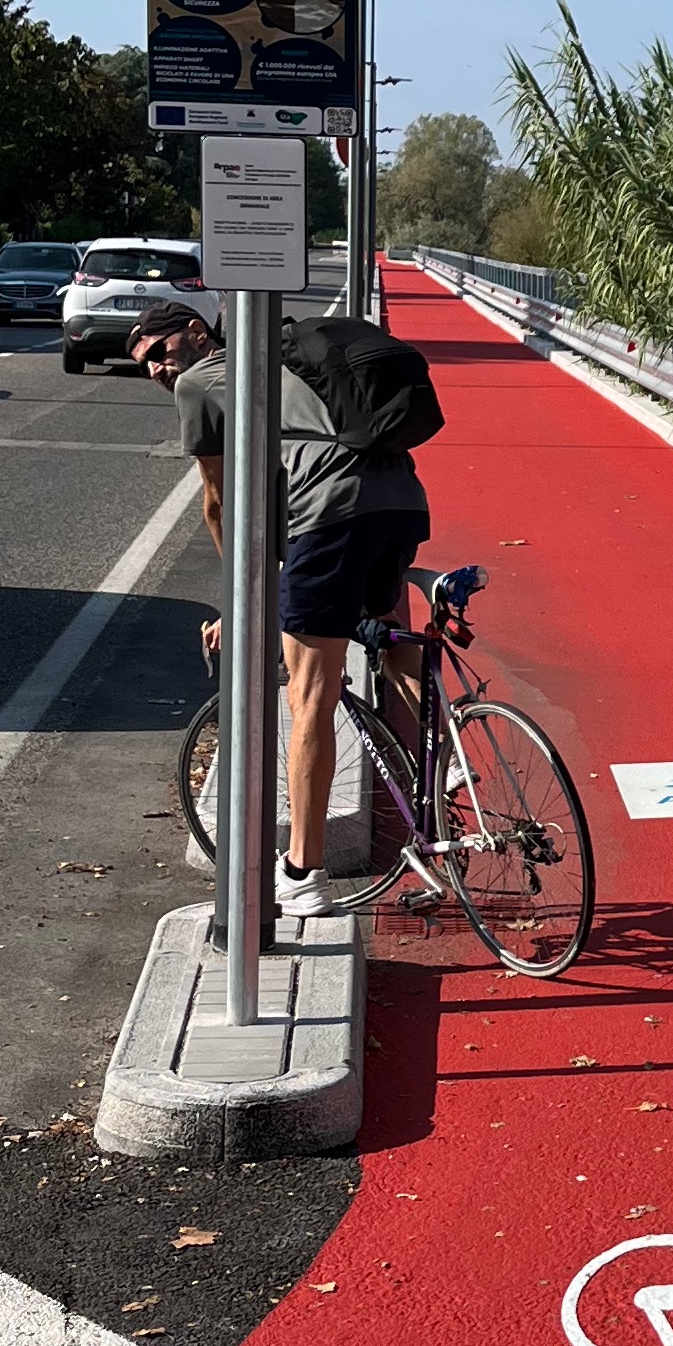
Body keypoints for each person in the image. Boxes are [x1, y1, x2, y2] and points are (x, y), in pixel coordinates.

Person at [130, 290, 428, 913]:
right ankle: (445, 768)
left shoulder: (199, 383)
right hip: (401, 498)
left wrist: (240, 604)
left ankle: (303, 874)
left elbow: (220, 501)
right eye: (145, 364)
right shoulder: (286, 357)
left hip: (330, 514)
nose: (157, 368)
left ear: (197, 332)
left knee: (310, 694)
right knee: (388, 631)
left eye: (159, 350)